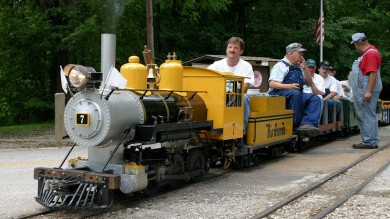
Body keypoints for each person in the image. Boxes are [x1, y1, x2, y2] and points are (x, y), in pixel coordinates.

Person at [268, 43, 322, 136]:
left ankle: (308, 125)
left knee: (315, 98)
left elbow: (309, 83)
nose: (302, 56)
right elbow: (272, 84)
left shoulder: (299, 67)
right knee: (295, 94)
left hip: (296, 93)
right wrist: (289, 86)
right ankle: (295, 125)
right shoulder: (280, 65)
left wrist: (305, 69)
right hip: (279, 95)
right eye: (300, 53)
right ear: (291, 53)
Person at [207, 37, 254, 133]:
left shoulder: (246, 66)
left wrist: (224, 89)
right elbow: (207, 80)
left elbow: (244, 89)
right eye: (230, 47)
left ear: (241, 51)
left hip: (236, 95)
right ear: (226, 49)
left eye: (235, 48)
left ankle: (241, 131)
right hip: (217, 95)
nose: (232, 50)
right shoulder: (216, 65)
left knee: (244, 98)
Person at [349, 32, 382, 149]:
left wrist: (368, 91)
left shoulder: (371, 53)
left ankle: (369, 141)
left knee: (366, 114)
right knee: (367, 114)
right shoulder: (369, 53)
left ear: (358, 44)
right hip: (364, 88)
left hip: (367, 89)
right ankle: (370, 140)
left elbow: (372, 73)